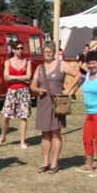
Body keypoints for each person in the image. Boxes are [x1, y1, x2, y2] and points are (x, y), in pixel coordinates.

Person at [29, 42, 66, 174]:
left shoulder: (61, 64)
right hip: (43, 104)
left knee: (56, 133)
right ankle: (45, 162)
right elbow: (32, 85)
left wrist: (69, 90)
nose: (47, 54)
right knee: (45, 134)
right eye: (45, 52)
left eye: (50, 52)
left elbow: (79, 76)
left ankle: (55, 163)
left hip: (57, 104)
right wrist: (38, 89)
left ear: (54, 52)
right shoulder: (39, 68)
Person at [0, 41, 32, 148]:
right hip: (11, 91)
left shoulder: (27, 62)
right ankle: (2, 137)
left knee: (23, 116)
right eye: (18, 48)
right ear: (13, 50)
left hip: (23, 91)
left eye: (22, 48)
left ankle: (22, 141)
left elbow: (29, 76)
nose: (20, 50)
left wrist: (14, 78)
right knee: (6, 116)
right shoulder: (8, 62)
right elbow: (6, 77)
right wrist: (21, 78)